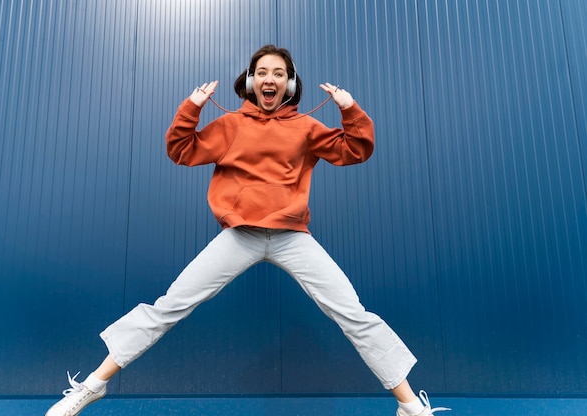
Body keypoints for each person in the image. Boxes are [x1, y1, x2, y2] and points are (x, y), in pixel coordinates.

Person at [46, 45, 449, 416]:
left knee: (352, 314)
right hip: (240, 236)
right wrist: (192, 107)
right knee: (169, 306)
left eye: (278, 73)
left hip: (292, 237)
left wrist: (350, 109)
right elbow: (180, 149)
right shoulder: (230, 125)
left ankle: (410, 406)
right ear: (252, 81)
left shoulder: (306, 128)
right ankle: (94, 385)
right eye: (262, 72)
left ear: (289, 83)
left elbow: (356, 150)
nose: (269, 79)